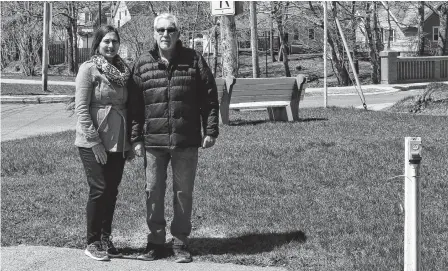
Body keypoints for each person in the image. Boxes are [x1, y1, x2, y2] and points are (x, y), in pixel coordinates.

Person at [127, 13, 219, 263]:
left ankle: (180, 242)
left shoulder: (194, 60)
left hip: (186, 140)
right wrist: (135, 138)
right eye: (160, 30)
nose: (165, 34)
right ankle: (155, 242)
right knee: (153, 191)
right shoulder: (143, 63)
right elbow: (134, 106)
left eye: (170, 30)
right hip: (153, 143)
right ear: (154, 33)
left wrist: (210, 131)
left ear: (178, 33)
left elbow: (209, 99)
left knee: (183, 193)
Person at [75, 25, 131, 261]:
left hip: (118, 140)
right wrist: (94, 141)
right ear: (98, 43)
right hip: (93, 140)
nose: (111, 45)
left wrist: (129, 141)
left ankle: (106, 239)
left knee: (112, 191)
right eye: (106, 41)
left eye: (114, 41)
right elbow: (81, 108)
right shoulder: (88, 69)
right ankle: (93, 241)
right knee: (99, 189)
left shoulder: (124, 70)